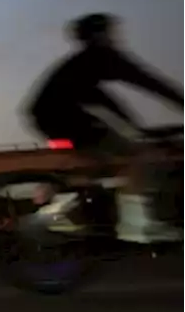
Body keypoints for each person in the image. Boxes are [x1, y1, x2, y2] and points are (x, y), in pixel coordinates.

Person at [24, 13, 185, 243]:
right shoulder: (103, 57)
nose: (115, 37)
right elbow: (152, 83)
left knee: (95, 162)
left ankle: (59, 212)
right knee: (142, 155)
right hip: (63, 115)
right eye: (111, 32)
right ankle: (136, 224)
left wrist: (136, 127)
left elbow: (108, 102)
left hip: (45, 116)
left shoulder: (81, 63)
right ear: (100, 35)